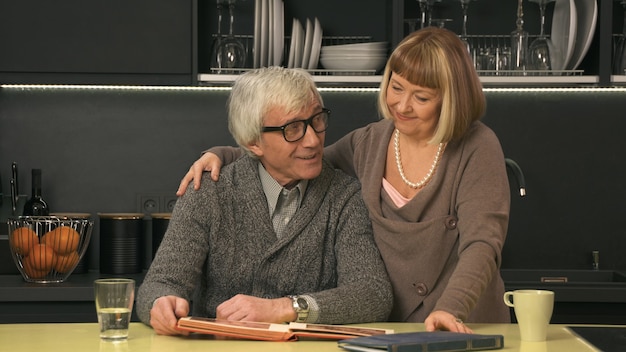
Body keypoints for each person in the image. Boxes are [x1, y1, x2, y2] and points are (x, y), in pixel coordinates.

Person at [176, 27, 511, 333]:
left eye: (421, 97)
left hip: (462, 321)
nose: (402, 105)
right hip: (395, 325)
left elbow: (482, 245)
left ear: (452, 99)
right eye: (396, 87)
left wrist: (452, 308)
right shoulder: (369, 142)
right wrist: (224, 154)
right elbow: (295, 158)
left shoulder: (477, 147)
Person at [137, 66, 393, 336]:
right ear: (253, 142)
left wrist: (287, 307)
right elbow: (160, 283)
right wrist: (160, 303)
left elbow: (373, 294)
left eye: (317, 120)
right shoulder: (208, 193)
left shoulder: (345, 197)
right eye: (293, 128)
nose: (313, 140)